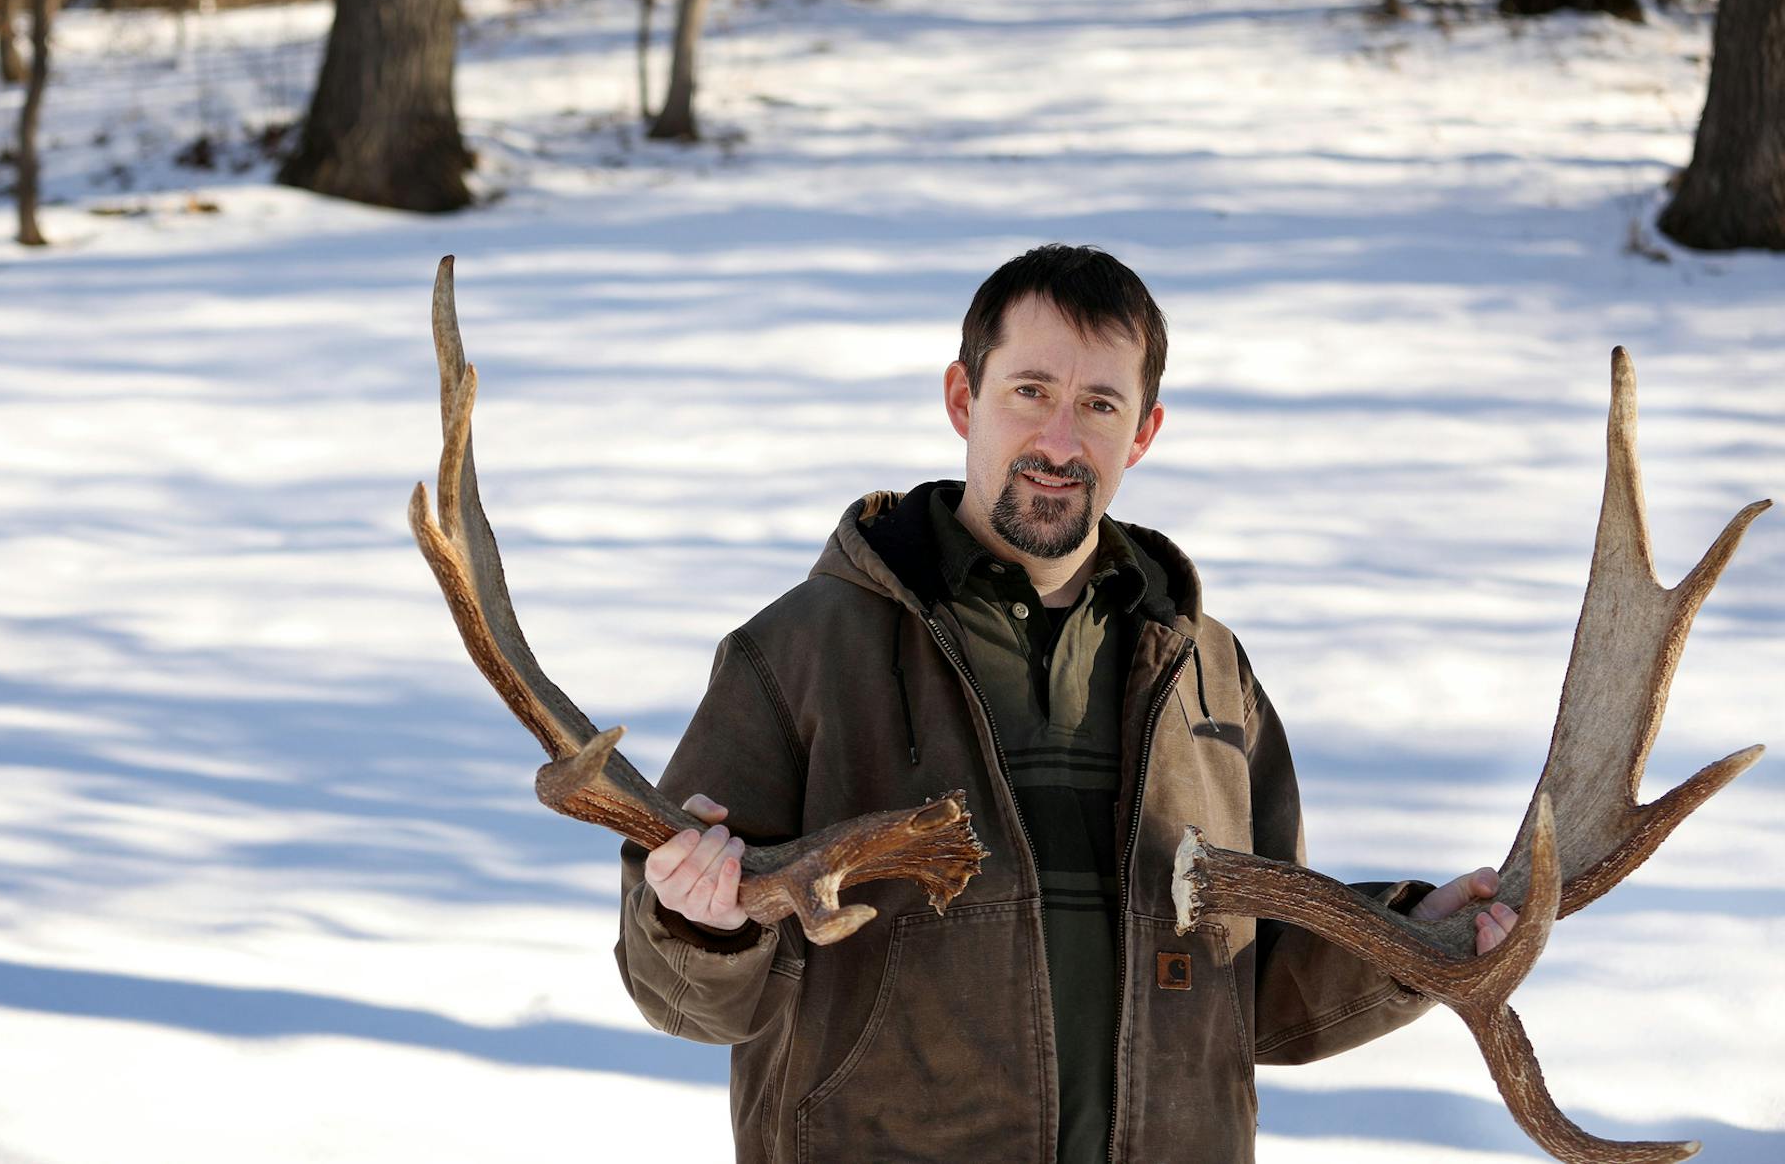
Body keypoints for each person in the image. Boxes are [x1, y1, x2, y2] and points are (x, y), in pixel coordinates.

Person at [613, 245, 1517, 1164]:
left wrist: (1407, 942)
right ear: (965, 399)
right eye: (1031, 391)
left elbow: (1255, 990)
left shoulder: (1207, 669)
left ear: (1144, 430)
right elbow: (680, 993)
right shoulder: (801, 651)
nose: (1059, 440)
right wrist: (696, 920)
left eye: (1099, 405)